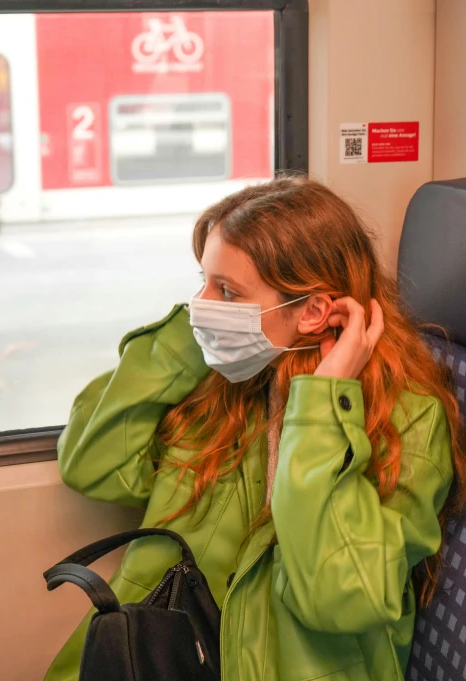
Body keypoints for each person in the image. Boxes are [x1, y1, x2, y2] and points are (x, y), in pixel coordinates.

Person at [44, 176, 466, 681]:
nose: (202, 302)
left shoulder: (406, 417)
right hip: (170, 652)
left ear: (313, 311)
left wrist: (322, 408)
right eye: (202, 280)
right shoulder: (227, 381)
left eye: (226, 291)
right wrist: (193, 333)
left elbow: (340, 597)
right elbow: (92, 462)